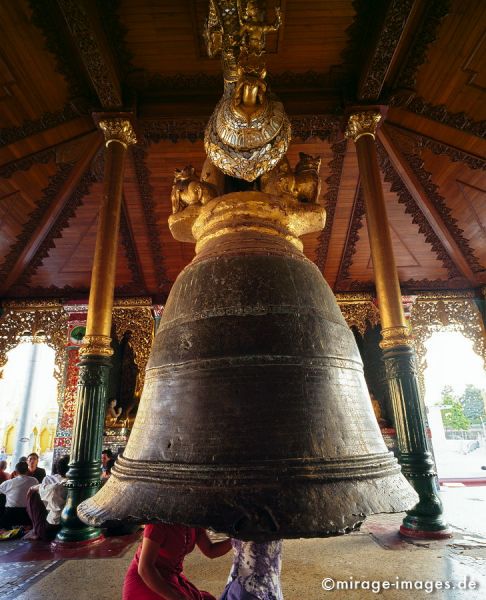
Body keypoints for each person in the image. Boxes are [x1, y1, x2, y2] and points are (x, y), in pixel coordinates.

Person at [123, 523, 232, 600]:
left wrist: (237, 539)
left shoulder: (192, 520)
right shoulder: (158, 523)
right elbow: (145, 568)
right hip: (149, 581)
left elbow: (210, 550)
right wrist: (175, 597)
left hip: (171, 577)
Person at [24, 455, 70, 541]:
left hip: (53, 527)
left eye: (34, 459)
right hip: (72, 523)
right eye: (30, 459)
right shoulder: (82, 482)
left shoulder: (54, 487)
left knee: (33, 494)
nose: (32, 461)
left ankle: (36, 530)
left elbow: (34, 490)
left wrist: (37, 488)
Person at [0, 461, 37, 529]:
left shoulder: (9, 482)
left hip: (10, 513)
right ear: (27, 471)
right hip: (26, 514)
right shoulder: (34, 481)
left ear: (16, 472)